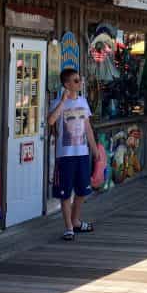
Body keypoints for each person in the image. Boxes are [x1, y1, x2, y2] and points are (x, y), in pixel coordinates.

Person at [47, 68, 99, 241]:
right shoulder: (57, 103)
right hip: (65, 155)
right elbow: (50, 121)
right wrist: (62, 102)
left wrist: (94, 149)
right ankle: (69, 227)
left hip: (82, 153)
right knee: (65, 193)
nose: (80, 83)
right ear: (67, 84)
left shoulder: (83, 102)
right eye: (76, 81)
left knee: (83, 191)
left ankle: (75, 221)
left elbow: (88, 128)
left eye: (79, 80)